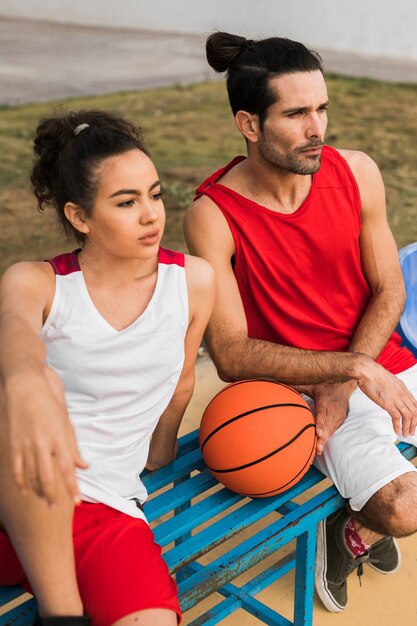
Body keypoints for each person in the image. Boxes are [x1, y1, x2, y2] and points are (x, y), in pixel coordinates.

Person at [184, 31, 417, 614]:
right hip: (301, 399)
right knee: (404, 509)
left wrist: (353, 376)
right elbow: (233, 355)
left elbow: (390, 289)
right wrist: (345, 375)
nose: (318, 129)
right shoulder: (213, 215)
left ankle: (354, 530)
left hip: (378, 369)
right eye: (296, 114)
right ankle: (355, 529)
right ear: (249, 124)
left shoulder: (357, 172)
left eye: (322, 109)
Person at [0, 109, 215, 626]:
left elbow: (182, 381)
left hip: (103, 505)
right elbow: (13, 331)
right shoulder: (39, 283)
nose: (151, 215)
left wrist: (158, 454)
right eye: (126, 201)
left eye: (155, 194)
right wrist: (26, 378)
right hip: (16, 489)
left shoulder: (192, 282)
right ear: (80, 217)